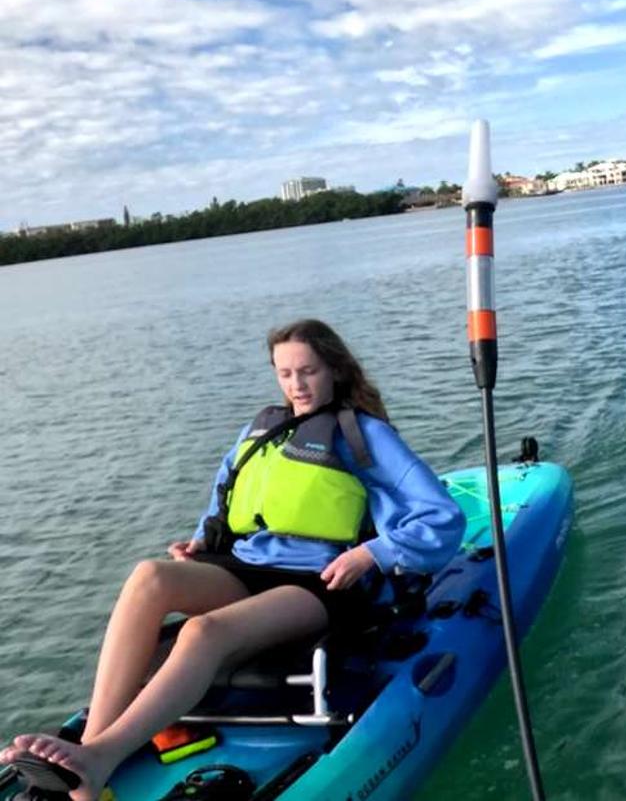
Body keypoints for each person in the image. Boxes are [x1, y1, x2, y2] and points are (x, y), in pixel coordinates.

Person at [1, 319, 465, 801]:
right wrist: (199, 545)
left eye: (308, 372)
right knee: (149, 576)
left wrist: (371, 553)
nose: (297, 385)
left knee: (202, 632)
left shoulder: (364, 435)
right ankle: (89, 746)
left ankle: (100, 758)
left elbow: (442, 516)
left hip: (318, 581)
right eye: (285, 373)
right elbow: (223, 503)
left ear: (335, 370)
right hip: (245, 567)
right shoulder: (263, 429)